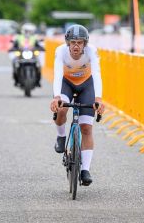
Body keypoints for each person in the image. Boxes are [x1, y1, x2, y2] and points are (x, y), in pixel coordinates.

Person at [50, 24, 105, 186]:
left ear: (85, 44)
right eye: (73, 42)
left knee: (86, 128)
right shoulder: (60, 51)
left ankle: (85, 170)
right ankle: (61, 136)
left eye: (80, 42)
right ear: (67, 43)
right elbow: (58, 74)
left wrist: (99, 98)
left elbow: (97, 74)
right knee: (62, 108)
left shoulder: (91, 52)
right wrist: (56, 97)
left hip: (86, 85)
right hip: (66, 83)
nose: (76, 46)